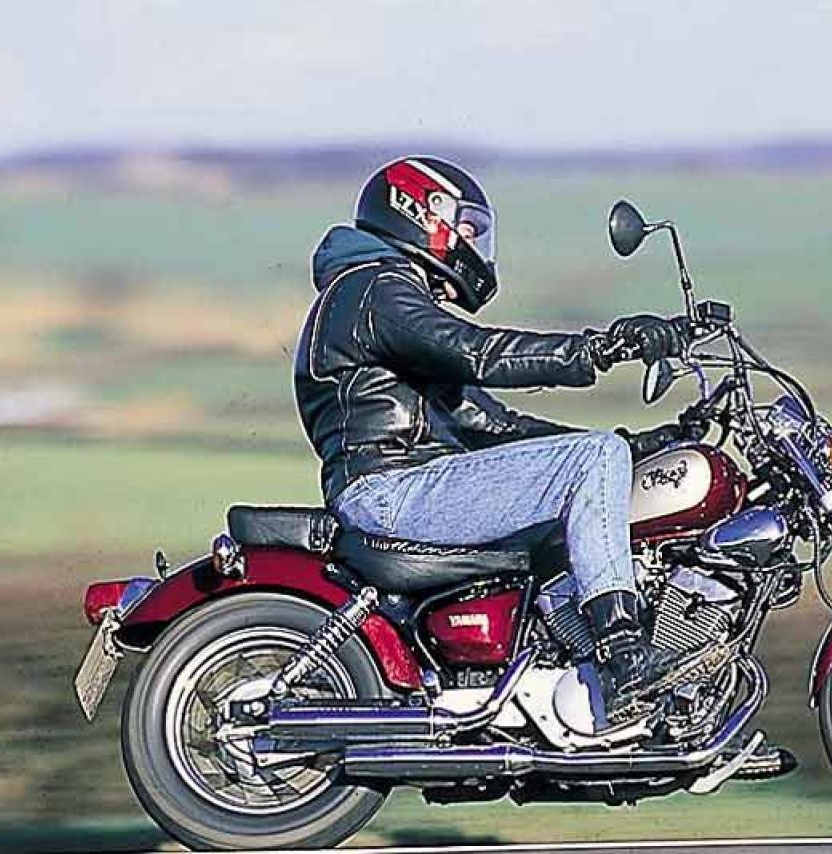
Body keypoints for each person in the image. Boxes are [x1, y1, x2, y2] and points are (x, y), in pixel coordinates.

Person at [293, 155, 688, 721]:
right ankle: (623, 651)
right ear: (419, 211)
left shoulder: (381, 294)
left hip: (411, 484)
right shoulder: (375, 290)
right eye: (467, 227)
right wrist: (603, 349)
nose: (474, 243)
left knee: (598, 456)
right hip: (392, 490)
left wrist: (635, 446)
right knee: (595, 455)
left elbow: (492, 426)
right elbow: (478, 353)